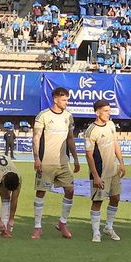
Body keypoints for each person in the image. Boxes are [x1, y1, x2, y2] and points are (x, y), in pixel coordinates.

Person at [31, 87, 80, 240]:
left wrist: (76, 158)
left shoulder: (68, 116)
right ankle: (38, 227)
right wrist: (37, 158)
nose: (67, 102)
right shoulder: (43, 116)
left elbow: (70, 138)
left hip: (63, 162)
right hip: (46, 162)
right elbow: (36, 138)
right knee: (41, 192)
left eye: (67, 99)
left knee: (70, 191)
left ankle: (62, 223)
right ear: (55, 99)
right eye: (64, 99)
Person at [83, 99, 125, 242]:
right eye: (106, 111)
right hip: (100, 173)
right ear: (97, 112)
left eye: (109, 110)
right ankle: (96, 232)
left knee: (115, 198)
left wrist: (121, 163)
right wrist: (95, 176)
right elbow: (89, 155)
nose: (109, 113)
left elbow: (115, 143)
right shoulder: (91, 131)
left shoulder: (111, 125)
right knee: (98, 201)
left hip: (113, 171)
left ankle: (108, 227)